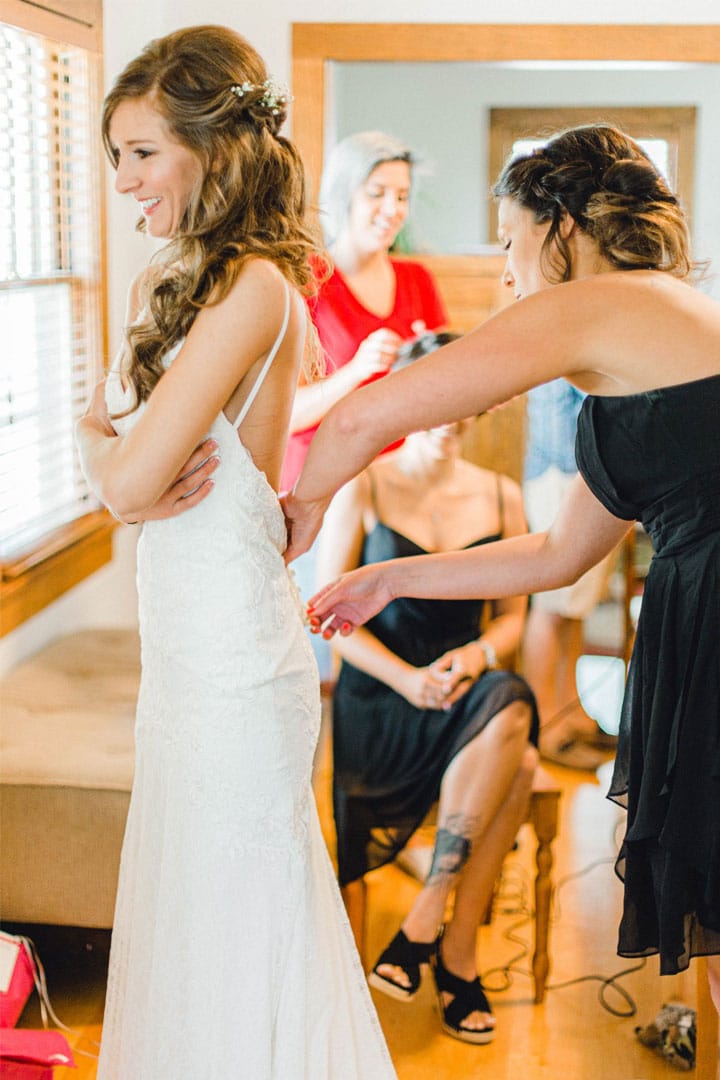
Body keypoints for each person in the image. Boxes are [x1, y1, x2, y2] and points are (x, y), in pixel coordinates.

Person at [283, 124, 720, 1016]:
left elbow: (367, 420)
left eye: (514, 244)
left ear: (564, 227)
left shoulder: (596, 301)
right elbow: (557, 553)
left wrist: (288, 520)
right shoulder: (652, 325)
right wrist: (389, 579)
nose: (509, 276)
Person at [75, 26, 396, 1079]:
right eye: (115, 155)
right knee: (186, 912)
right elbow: (102, 442)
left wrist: (113, 465)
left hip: (234, 667)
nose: (123, 181)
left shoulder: (258, 285)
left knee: (236, 924)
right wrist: (104, 455)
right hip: (184, 658)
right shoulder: (170, 286)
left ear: (211, 148)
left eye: (140, 154)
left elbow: (126, 482)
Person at [317, 332, 539, 1043]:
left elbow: (513, 622)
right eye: (433, 399)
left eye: (461, 400)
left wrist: (473, 657)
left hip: (463, 693)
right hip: (381, 697)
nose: (449, 415)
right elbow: (326, 616)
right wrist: (409, 680)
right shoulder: (368, 484)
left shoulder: (503, 498)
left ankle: (429, 919)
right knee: (524, 761)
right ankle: (456, 956)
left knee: (506, 696)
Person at [281, 131, 447, 681]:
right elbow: (284, 414)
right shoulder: (305, 283)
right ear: (345, 193)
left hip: (396, 500)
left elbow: (440, 381)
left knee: (394, 642)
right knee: (319, 655)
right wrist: (356, 372)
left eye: (401, 195)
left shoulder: (417, 281)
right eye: (378, 193)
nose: (392, 209)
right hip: (319, 496)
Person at [522, 379, 618, 770]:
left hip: (583, 470)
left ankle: (570, 711)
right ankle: (544, 723)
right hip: (561, 470)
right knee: (551, 603)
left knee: (577, 607)